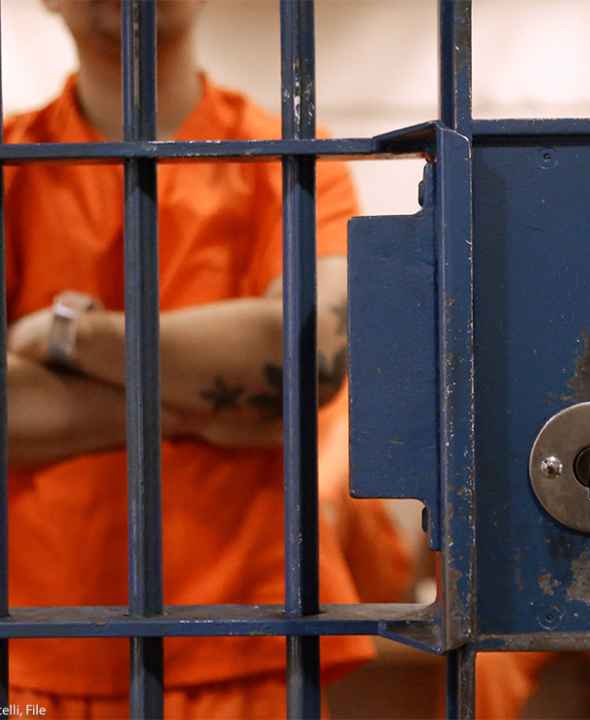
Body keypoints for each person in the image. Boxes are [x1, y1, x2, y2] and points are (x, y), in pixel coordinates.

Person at [3, 1, 375, 717]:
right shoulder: (11, 164)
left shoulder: (296, 156)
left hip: (253, 630)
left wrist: (70, 338)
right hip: (41, 639)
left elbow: (308, 361)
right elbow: (280, 384)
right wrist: (212, 400)